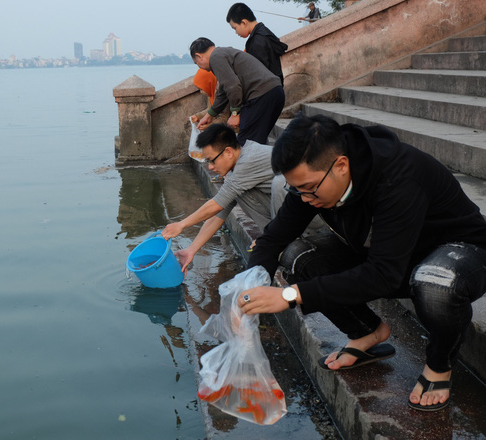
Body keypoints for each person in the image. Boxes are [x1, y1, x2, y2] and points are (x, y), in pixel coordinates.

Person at [239, 113, 486, 412]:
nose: (304, 198)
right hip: (392, 254)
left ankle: (439, 364)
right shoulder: (314, 182)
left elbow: (382, 275)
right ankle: (367, 332)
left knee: (435, 283)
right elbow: (273, 239)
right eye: (297, 189)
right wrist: (247, 286)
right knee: (296, 255)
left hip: (459, 253)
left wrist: (290, 295)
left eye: (309, 188)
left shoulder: (399, 175)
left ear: (340, 165)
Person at [161, 123, 274, 275]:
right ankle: (273, 234)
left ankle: (276, 237)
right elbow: (219, 214)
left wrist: (181, 224)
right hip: (286, 213)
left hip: (304, 216)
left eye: (212, 160)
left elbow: (217, 205)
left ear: (228, 152)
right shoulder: (237, 169)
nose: (210, 167)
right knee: (235, 195)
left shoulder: (248, 162)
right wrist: (191, 250)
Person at [190, 37, 284, 146]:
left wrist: (235, 113)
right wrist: (209, 115)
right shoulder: (223, 53)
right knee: (256, 142)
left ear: (198, 56)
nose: (199, 66)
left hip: (261, 95)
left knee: (246, 143)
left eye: (196, 63)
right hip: (275, 92)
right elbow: (224, 91)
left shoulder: (215, 58)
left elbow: (233, 86)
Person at [226, 2, 288, 84]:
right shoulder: (264, 32)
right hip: (276, 84)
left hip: (268, 89)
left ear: (244, 23)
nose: (236, 32)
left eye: (235, 28)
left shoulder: (257, 41)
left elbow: (259, 73)